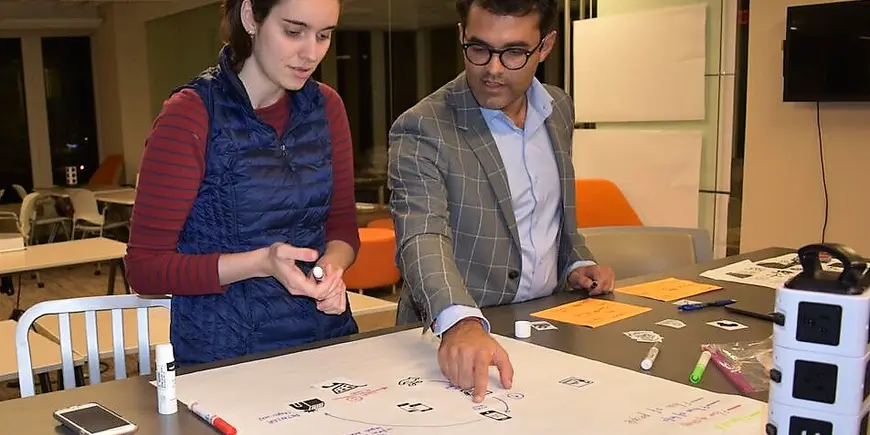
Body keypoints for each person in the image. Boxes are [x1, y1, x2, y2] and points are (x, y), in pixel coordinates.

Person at [388, 0, 616, 402]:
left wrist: (576, 260)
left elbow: (548, 212)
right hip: (458, 338)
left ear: (545, 46)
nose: (492, 69)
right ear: (461, 34)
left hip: (547, 327)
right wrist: (460, 322)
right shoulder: (423, 126)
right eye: (478, 48)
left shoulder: (557, 108)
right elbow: (421, 236)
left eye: (513, 52)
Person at [125, 0, 360, 367]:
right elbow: (145, 270)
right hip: (225, 357)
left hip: (324, 342)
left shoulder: (327, 107)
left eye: (324, 35)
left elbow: (343, 225)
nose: (311, 53)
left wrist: (329, 270)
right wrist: (260, 262)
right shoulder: (191, 114)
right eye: (293, 32)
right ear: (251, 16)